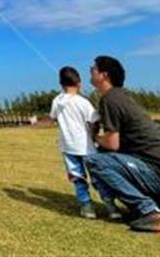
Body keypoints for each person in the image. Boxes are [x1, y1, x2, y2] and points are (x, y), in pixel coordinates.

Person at [85, 56, 160, 233]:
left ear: (104, 75)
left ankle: (150, 212)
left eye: (93, 68)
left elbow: (112, 144)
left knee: (95, 161)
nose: (90, 70)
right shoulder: (121, 96)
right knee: (106, 158)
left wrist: (94, 136)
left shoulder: (110, 99)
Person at [50, 66, 121, 220]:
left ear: (61, 84)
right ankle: (111, 207)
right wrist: (94, 134)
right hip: (87, 147)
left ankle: (87, 207)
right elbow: (94, 121)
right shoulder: (83, 102)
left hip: (67, 147)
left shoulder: (57, 101)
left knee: (77, 178)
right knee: (98, 178)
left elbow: (54, 117)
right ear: (79, 83)